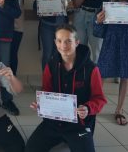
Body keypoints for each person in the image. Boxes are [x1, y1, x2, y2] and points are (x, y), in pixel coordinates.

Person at [25, 24, 107, 152]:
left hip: (79, 125)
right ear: (55, 42)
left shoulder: (91, 69)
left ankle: (70, 139)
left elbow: (100, 99)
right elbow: (46, 91)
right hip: (53, 123)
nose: (63, 45)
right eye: (59, 41)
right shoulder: (50, 65)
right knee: (30, 149)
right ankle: (61, 138)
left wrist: (87, 108)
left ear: (77, 42)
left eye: (69, 41)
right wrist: (42, 104)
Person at [34, 0, 74, 71]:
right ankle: (46, 81)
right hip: (47, 26)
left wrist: (71, 7)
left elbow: (69, 12)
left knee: (59, 54)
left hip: (62, 28)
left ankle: (56, 80)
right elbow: (35, 7)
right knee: (47, 54)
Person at [3, 0, 34, 76]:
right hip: (2, 24)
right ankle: (1, 82)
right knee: (2, 54)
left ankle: (12, 81)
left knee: (13, 53)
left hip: (17, 24)